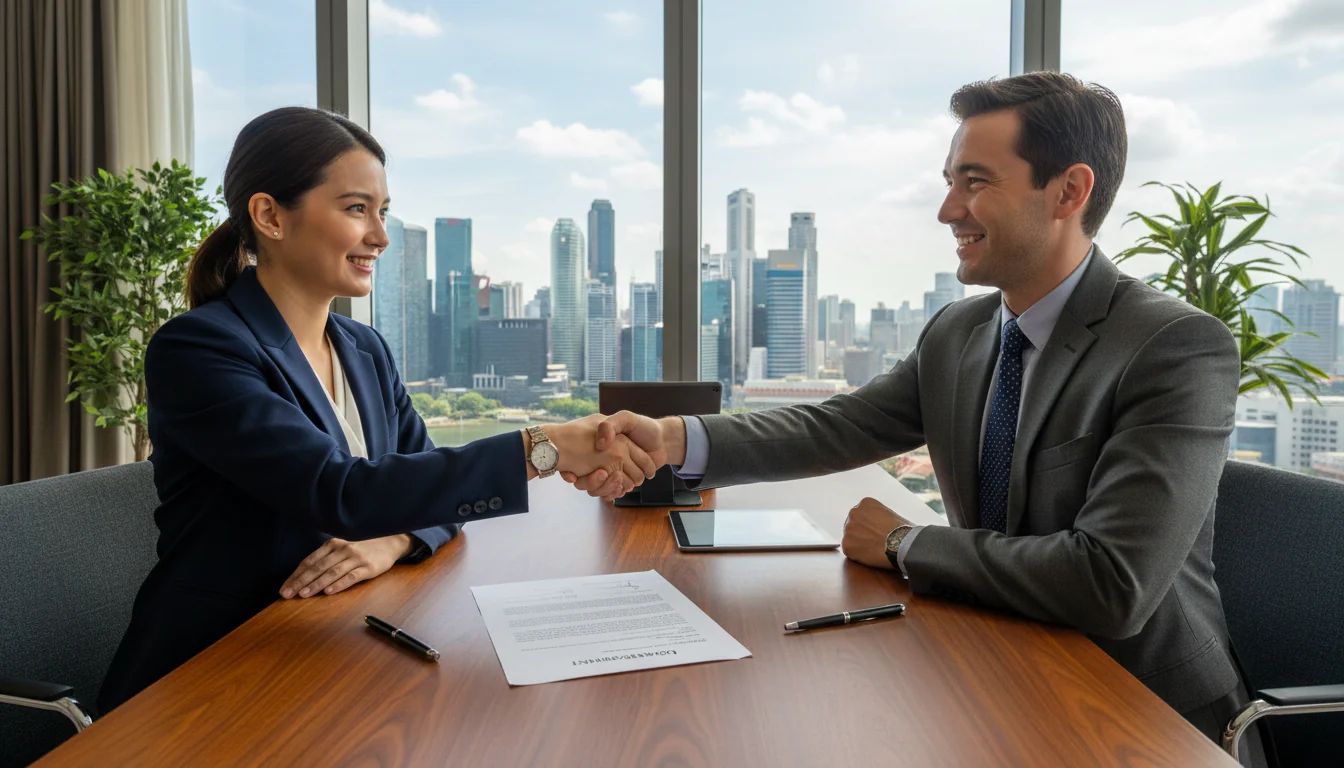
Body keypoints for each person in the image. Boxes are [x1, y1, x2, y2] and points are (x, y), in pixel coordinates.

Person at [569, 72, 1264, 764]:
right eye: (950, 182)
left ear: (1069, 191)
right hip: (997, 665)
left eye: (975, 182)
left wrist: (905, 542)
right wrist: (672, 438)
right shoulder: (960, 332)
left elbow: (1111, 584)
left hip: (1139, 713)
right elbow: (837, 426)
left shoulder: (1173, 346)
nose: (946, 210)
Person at [98, 107, 655, 713]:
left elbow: (427, 482)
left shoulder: (364, 348)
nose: (380, 237)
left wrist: (394, 540)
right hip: (216, 671)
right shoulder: (200, 349)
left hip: (334, 649)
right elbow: (338, 491)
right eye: (357, 209)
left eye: (382, 212)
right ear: (269, 216)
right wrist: (543, 447)